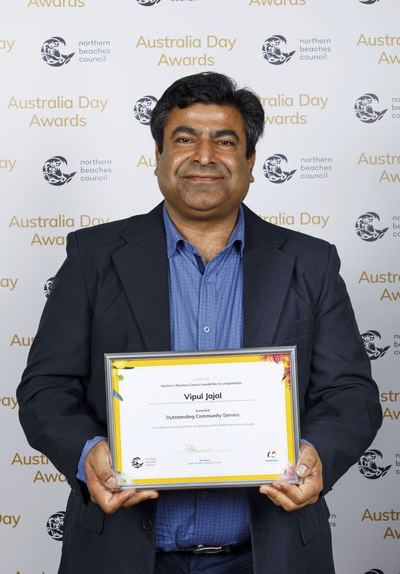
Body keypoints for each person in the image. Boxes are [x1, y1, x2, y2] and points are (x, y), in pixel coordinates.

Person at [17, 72, 381, 574]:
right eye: (184, 138)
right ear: (160, 158)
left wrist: (319, 452)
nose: (204, 156)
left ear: (251, 162)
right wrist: (88, 453)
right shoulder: (92, 257)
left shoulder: (309, 262)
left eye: (225, 141)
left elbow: (350, 394)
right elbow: (46, 388)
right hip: (123, 555)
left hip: (269, 556)